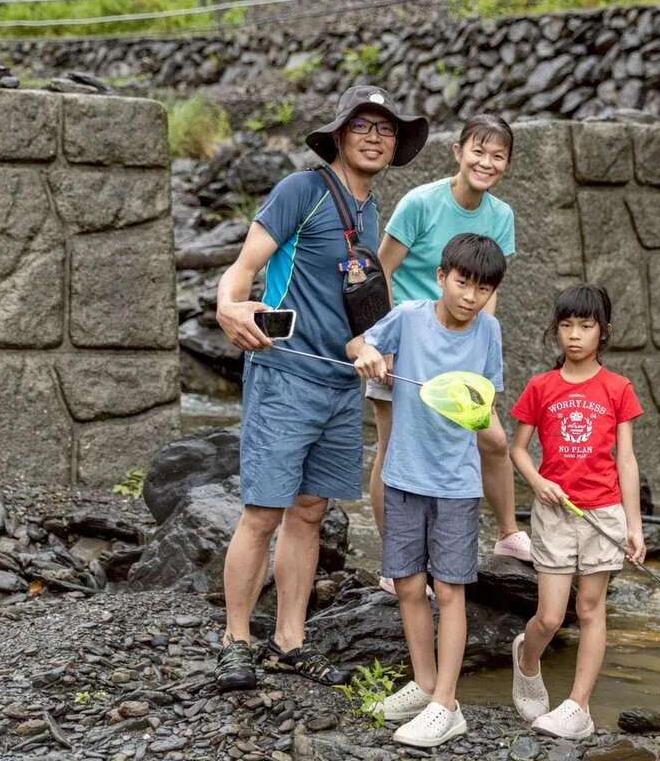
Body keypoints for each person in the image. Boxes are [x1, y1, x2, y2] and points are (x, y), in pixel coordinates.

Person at [212, 85, 428, 692]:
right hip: (285, 373)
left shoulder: (370, 210)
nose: (376, 137)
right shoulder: (301, 191)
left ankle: (290, 640)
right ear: (339, 134)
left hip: (340, 382)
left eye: (387, 129)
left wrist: (372, 349)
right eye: (363, 125)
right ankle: (235, 639)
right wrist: (228, 306)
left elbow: (356, 298)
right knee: (261, 512)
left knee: (309, 512)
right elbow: (245, 265)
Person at [348, 234, 507, 748]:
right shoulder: (411, 317)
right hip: (402, 476)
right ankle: (423, 683)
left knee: (451, 590)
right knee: (411, 586)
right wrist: (370, 356)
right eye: (462, 283)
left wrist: (485, 422)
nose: (470, 296)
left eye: (482, 289)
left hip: (457, 483)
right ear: (442, 277)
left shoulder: (490, 332)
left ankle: (447, 704)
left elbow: (487, 399)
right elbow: (358, 343)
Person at [371, 115, 529, 597]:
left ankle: (507, 534)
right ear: (457, 152)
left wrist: (482, 349)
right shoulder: (420, 203)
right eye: (478, 151)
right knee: (392, 449)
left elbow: (489, 290)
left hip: (463, 344)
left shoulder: (500, 216)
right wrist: (388, 344)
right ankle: (395, 560)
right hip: (408, 342)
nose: (486, 162)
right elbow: (381, 271)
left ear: (506, 165)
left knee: (494, 439)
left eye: (497, 155)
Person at [507, 283, 646, 739]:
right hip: (554, 514)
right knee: (549, 617)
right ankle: (527, 659)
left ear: (604, 332)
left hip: (603, 514)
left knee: (590, 609)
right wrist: (539, 482)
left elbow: (626, 460)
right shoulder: (542, 386)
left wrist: (634, 527)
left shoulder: (618, 388)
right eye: (566, 325)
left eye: (585, 326)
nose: (574, 335)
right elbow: (518, 450)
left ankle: (578, 707)